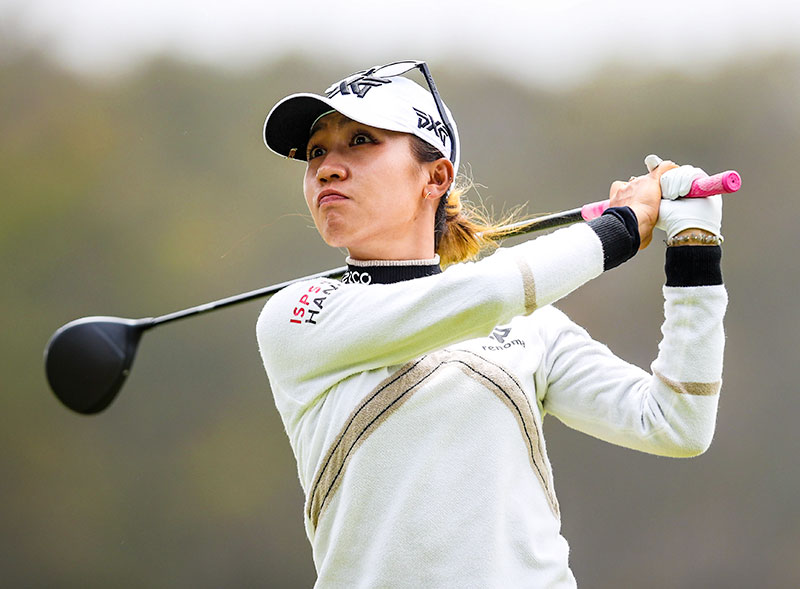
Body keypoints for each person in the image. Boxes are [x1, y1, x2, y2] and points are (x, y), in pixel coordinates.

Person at [256, 61, 726, 587]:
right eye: (317, 151)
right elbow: (488, 294)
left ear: (435, 177)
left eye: (360, 140)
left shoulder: (532, 328)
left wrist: (694, 258)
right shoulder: (298, 315)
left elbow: (676, 423)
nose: (327, 167)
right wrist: (623, 227)